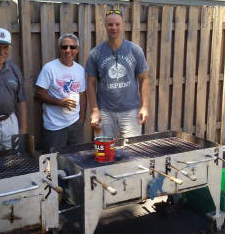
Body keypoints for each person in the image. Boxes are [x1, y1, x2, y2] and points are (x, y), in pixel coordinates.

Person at [86, 9, 149, 138]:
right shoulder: (96, 53)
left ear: (123, 25)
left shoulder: (135, 50)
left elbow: (144, 79)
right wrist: (94, 110)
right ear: (105, 26)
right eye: (110, 24)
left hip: (130, 111)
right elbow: (90, 83)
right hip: (104, 112)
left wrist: (144, 106)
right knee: (104, 152)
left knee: (133, 151)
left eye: (117, 24)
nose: (113, 28)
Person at [35, 33, 86, 152]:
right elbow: (39, 93)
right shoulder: (50, 68)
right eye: (64, 47)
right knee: (53, 163)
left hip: (75, 124)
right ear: (59, 49)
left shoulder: (80, 69)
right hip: (54, 126)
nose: (68, 50)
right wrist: (59, 102)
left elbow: (82, 95)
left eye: (72, 47)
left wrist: (81, 119)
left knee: (77, 159)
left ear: (77, 50)